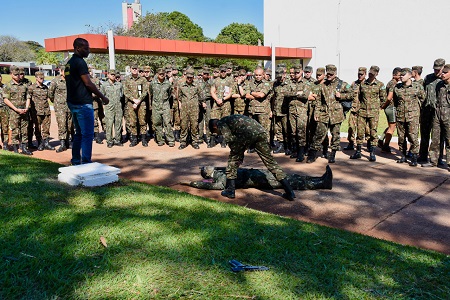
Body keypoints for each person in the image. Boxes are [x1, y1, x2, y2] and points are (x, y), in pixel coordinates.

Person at [209, 115, 296, 201]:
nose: (219, 134)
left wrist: (238, 157)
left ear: (215, 126)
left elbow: (231, 141)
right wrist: (240, 156)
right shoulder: (230, 119)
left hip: (247, 135)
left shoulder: (221, 123)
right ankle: (289, 192)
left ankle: (230, 191)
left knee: (232, 161)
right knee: (270, 162)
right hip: (260, 132)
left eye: (216, 131)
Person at [65, 37, 109, 165]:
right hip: (82, 103)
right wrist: (102, 96)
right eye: (86, 48)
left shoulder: (70, 62)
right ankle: (85, 161)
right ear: (77, 48)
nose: (88, 51)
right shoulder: (80, 62)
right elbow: (88, 83)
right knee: (87, 134)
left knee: (79, 133)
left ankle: (76, 160)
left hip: (73, 102)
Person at [308, 64, 353, 163]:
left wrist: (342, 95)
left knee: (335, 134)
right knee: (319, 133)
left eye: (331, 74)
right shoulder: (323, 85)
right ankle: (312, 154)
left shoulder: (342, 84)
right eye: (327, 74)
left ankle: (333, 154)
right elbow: (319, 100)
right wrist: (316, 112)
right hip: (324, 113)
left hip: (336, 114)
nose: (329, 76)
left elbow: (352, 94)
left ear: (335, 73)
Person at [186, 165, 332, 191]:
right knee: (291, 182)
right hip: (260, 180)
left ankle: (319, 178)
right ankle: (321, 184)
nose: (208, 166)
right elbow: (215, 186)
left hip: (259, 174)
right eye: (206, 168)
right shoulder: (219, 178)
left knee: (291, 176)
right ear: (207, 173)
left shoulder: (220, 171)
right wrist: (193, 183)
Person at [387, 68, 425, 166]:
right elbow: (395, 101)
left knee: (413, 137)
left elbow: (423, 98)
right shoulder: (397, 88)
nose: (401, 76)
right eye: (400, 75)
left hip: (413, 116)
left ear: (409, 75)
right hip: (400, 116)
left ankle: (414, 157)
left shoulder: (417, 87)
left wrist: (417, 111)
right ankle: (403, 155)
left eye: (403, 75)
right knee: (401, 137)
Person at [350, 66, 386, 161]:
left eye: (373, 74)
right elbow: (359, 96)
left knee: (373, 132)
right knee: (360, 132)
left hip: (373, 113)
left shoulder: (380, 85)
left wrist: (380, 107)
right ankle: (358, 152)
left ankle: (372, 153)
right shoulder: (363, 84)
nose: (371, 75)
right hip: (362, 111)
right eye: (370, 73)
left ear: (376, 74)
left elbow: (384, 99)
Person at [422, 64, 450, 170]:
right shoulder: (440, 85)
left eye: (445, 72)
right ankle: (433, 160)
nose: (442, 74)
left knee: (448, 139)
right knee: (435, 138)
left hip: (448, 114)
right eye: (442, 72)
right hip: (438, 113)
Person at [419, 58, 445, 163]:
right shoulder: (428, 78)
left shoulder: (445, 80)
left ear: (443, 68)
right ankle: (423, 156)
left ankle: (438, 158)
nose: (437, 71)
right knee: (424, 134)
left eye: (439, 69)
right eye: (435, 69)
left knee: (438, 136)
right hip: (426, 110)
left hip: (439, 111)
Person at [3, 66, 31, 155]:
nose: (17, 76)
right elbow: (6, 99)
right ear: (11, 74)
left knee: (24, 129)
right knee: (15, 129)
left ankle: (24, 148)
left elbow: (28, 97)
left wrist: (26, 108)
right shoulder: (8, 86)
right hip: (14, 111)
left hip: (24, 111)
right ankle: (15, 148)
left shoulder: (24, 85)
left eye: (18, 75)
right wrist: (15, 109)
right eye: (15, 75)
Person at [26, 71, 54, 151]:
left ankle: (46, 143)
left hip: (46, 111)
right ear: (36, 78)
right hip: (36, 112)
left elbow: (49, 97)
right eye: (40, 78)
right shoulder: (31, 88)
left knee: (46, 128)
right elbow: (28, 99)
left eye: (43, 78)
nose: (42, 79)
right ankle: (40, 142)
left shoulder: (45, 87)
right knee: (37, 128)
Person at [177, 69, 204, 150]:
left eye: (191, 77)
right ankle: (183, 142)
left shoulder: (197, 85)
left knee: (194, 125)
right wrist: (180, 105)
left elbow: (201, 96)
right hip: (184, 109)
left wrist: (201, 103)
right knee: (183, 125)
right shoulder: (181, 85)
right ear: (185, 76)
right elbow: (179, 97)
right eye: (188, 77)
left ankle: (194, 141)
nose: (189, 79)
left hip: (194, 109)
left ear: (193, 77)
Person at [123, 63, 149, 147]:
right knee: (132, 122)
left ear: (138, 69)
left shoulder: (143, 79)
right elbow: (125, 92)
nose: (134, 70)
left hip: (141, 103)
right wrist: (134, 100)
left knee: (142, 121)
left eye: (136, 68)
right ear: (130, 69)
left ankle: (144, 139)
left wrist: (138, 100)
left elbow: (145, 91)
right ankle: (134, 139)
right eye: (133, 68)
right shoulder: (126, 79)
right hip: (131, 104)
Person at [49, 66, 73, 153]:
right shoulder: (55, 81)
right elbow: (50, 94)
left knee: (70, 125)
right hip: (60, 107)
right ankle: (62, 143)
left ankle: (67, 142)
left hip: (69, 106)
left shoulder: (71, 80)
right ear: (61, 71)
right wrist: (56, 102)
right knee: (62, 125)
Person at [150, 68, 175, 147]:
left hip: (165, 105)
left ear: (165, 74)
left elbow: (170, 94)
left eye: (163, 73)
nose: (161, 75)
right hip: (156, 105)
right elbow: (151, 93)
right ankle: (160, 140)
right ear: (157, 74)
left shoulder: (168, 83)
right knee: (157, 123)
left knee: (167, 123)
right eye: (160, 73)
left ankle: (170, 140)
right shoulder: (152, 83)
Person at [379, 67, 401, 153]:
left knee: (390, 126)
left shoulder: (390, 83)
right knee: (392, 128)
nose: (400, 77)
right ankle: (385, 146)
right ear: (394, 75)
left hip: (389, 107)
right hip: (391, 107)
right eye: (399, 75)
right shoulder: (393, 84)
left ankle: (381, 140)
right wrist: (383, 106)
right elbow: (389, 98)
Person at [343, 67, 366, 151]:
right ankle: (351, 143)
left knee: (363, 129)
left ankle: (365, 145)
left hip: (363, 111)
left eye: (361, 74)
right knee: (351, 128)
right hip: (353, 109)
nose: (360, 76)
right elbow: (349, 94)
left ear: (365, 74)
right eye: (358, 74)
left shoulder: (367, 84)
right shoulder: (354, 84)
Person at [100, 69, 124, 148]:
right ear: (108, 75)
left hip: (118, 107)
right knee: (109, 124)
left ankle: (117, 140)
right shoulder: (104, 85)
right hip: (109, 107)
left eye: (114, 75)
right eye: (112, 74)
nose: (113, 76)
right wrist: (105, 104)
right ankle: (109, 140)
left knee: (118, 124)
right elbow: (101, 95)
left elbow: (122, 95)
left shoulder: (119, 84)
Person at [271, 67, 290, 154]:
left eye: (280, 77)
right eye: (277, 77)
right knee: (277, 129)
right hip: (276, 110)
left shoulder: (289, 84)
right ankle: (281, 145)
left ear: (284, 75)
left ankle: (288, 146)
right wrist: (272, 110)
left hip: (285, 111)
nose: (279, 79)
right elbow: (273, 97)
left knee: (286, 130)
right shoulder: (275, 84)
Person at [0, 73, 9, 150]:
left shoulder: (5, 87)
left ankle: (5, 143)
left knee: (5, 127)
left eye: (0, 77)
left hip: (4, 108)